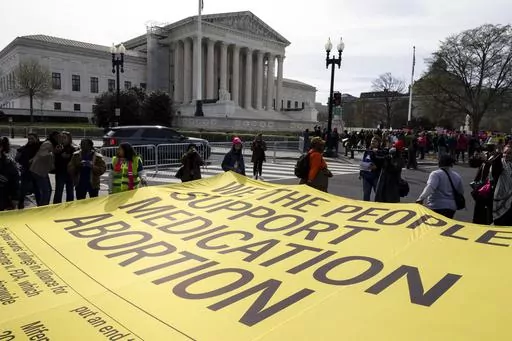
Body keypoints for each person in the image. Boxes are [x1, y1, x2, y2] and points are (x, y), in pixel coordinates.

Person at [416, 155, 464, 219]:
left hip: (436, 205)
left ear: (440, 163)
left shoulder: (436, 174)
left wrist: (421, 198)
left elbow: (430, 187)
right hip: (451, 207)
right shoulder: (457, 176)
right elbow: (461, 191)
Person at [30, 131, 59, 206]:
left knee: (47, 190)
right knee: (46, 191)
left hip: (41, 170)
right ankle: (43, 207)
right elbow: (43, 155)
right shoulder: (48, 144)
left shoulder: (50, 144)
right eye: (57, 137)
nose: (59, 139)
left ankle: (43, 206)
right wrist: (54, 153)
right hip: (39, 170)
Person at [15, 133, 41, 209]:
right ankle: (21, 204)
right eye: (29, 139)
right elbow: (18, 159)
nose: (30, 140)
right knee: (23, 190)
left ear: (36, 138)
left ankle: (40, 206)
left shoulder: (41, 148)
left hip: (37, 171)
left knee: (38, 190)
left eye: (32, 138)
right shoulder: (24, 149)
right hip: (26, 171)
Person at [490, 144, 512, 226]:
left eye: (509, 153)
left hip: (509, 199)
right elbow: (495, 168)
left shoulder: (510, 165)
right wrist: (498, 154)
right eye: (505, 152)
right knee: (499, 222)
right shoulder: (499, 164)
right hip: (499, 198)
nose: (507, 155)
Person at [53, 131, 77, 204]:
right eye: (61, 138)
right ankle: (56, 207)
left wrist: (68, 157)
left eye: (64, 138)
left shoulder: (72, 149)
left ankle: (69, 207)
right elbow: (55, 160)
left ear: (69, 139)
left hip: (69, 173)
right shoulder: (58, 147)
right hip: (60, 172)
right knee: (58, 191)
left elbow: (74, 160)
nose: (62, 139)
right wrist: (56, 153)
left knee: (70, 191)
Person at [360, 136, 383, 201]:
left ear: (379, 143)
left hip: (376, 176)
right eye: (372, 141)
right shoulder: (368, 150)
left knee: (378, 195)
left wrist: (377, 166)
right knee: (366, 194)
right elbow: (364, 160)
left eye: (375, 141)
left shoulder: (381, 151)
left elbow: (382, 163)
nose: (372, 142)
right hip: (366, 176)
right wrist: (361, 172)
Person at [0, 137, 20, 211]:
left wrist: (15, 198)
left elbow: (15, 182)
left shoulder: (8, 163)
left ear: (1, 148)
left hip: (3, 199)